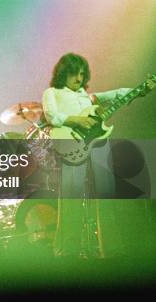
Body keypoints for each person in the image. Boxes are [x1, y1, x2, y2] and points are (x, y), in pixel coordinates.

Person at [42, 53, 151, 257]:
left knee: (106, 194)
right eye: (74, 74)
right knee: (71, 198)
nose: (79, 79)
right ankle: (67, 250)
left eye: (82, 75)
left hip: (99, 144)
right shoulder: (52, 92)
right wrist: (76, 120)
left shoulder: (87, 95)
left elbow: (117, 94)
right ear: (63, 74)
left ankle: (110, 250)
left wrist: (140, 90)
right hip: (71, 142)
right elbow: (52, 116)